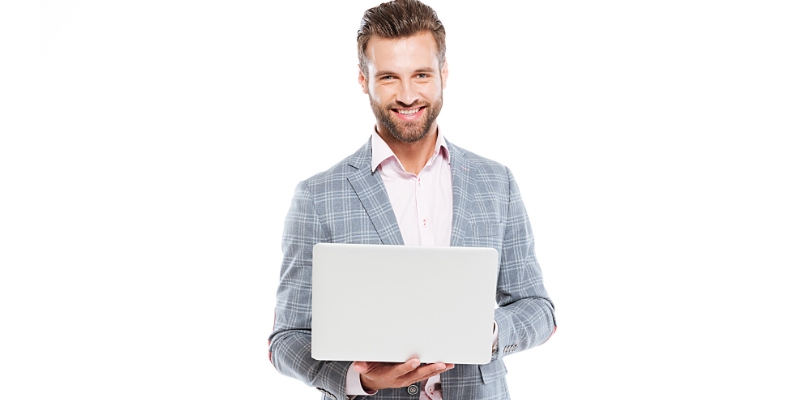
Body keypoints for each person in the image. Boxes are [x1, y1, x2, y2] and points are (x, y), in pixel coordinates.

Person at [268, 1, 556, 399]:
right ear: (362, 79)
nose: (407, 96)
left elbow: (538, 309)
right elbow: (286, 339)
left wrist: (482, 333)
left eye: (421, 74)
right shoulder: (317, 197)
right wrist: (362, 379)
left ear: (444, 74)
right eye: (388, 77)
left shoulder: (496, 183)